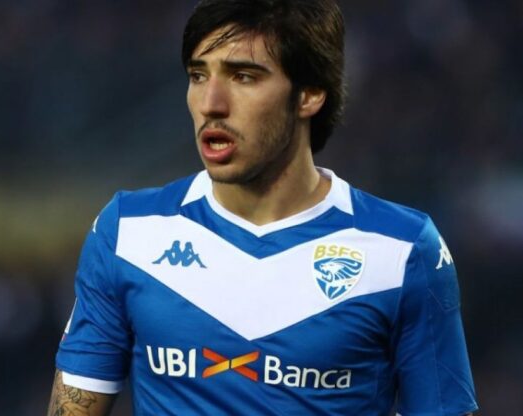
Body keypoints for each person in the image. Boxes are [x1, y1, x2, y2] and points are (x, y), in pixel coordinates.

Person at [47, 0, 478, 414]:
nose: (211, 103)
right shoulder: (128, 233)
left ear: (310, 94)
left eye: (243, 77)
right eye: (198, 75)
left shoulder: (402, 251)